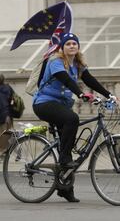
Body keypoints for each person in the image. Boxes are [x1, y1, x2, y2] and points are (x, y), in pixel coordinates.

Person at [32, 33, 115, 203]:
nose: (71, 46)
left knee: (67, 144)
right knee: (72, 120)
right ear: (62, 47)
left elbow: (90, 80)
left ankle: (65, 189)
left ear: (78, 47)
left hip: (61, 106)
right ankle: (64, 160)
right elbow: (65, 79)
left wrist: (109, 95)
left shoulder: (77, 64)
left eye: (74, 43)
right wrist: (80, 94)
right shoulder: (55, 61)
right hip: (44, 103)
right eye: (68, 43)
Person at [0, 72, 14, 161]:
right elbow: (13, 100)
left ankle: (2, 156)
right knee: (9, 135)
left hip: (2, 116)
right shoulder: (8, 88)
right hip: (9, 115)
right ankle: (18, 152)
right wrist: (9, 113)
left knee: (1, 136)